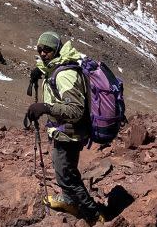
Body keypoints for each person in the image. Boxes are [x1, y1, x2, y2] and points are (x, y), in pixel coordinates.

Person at [25, 31, 105, 224]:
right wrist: (40, 70)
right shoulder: (58, 67)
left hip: (69, 134)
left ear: (58, 50)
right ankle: (69, 200)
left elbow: (75, 110)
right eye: (40, 49)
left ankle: (95, 216)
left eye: (48, 50)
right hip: (65, 131)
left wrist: (45, 107)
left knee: (66, 177)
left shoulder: (65, 76)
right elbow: (52, 68)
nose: (43, 53)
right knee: (65, 170)